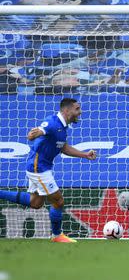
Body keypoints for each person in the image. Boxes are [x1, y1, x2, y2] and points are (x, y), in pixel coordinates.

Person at [0, 98, 98, 243]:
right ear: (66, 110)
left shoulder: (63, 127)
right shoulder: (52, 122)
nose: (80, 112)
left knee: (36, 203)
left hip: (40, 167)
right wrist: (35, 133)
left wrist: (84, 155)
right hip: (39, 168)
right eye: (77, 109)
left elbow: (63, 147)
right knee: (58, 201)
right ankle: (57, 235)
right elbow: (37, 132)